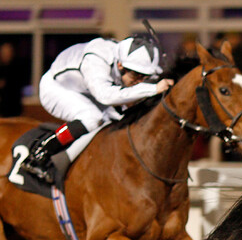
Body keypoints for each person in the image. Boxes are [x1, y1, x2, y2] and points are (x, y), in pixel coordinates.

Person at [20, 33, 173, 183]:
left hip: (86, 91)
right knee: (92, 118)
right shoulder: (96, 60)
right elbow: (105, 96)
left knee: (118, 119)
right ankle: (40, 154)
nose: (139, 81)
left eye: (144, 77)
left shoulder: (124, 62)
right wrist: (152, 89)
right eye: (136, 75)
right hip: (57, 88)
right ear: (120, 65)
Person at [0, 42, 26, 118]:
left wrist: (5, 84)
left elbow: (19, 83)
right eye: (3, 52)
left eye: (7, 52)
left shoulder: (17, 67)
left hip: (15, 105)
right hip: (3, 106)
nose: (5, 54)